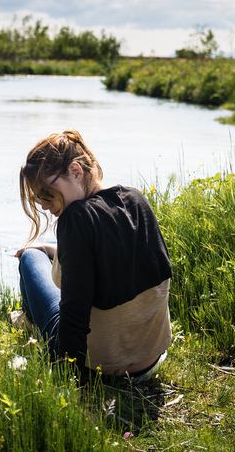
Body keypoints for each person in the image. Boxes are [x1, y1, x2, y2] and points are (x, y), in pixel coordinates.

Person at [16, 129, 172, 383]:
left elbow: (75, 310)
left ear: (76, 171)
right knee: (41, 252)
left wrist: (69, 374)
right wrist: (53, 250)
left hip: (103, 367)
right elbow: (108, 264)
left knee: (30, 258)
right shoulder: (134, 199)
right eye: (37, 196)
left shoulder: (75, 219)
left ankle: (28, 322)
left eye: (46, 192)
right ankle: (29, 317)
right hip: (151, 360)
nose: (43, 204)